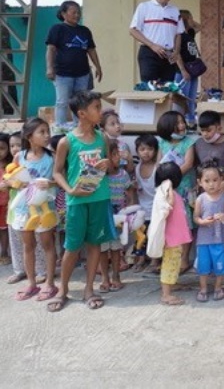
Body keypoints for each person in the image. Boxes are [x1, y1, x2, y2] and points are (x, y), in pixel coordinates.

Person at [50, 90, 114, 312]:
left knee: (95, 244)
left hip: (99, 197)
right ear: (82, 113)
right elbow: (57, 172)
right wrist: (70, 190)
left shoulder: (102, 137)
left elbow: (110, 169)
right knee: (72, 246)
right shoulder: (67, 142)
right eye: (96, 107)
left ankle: (89, 289)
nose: (101, 111)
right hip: (76, 201)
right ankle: (63, 290)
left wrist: (107, 165)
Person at [11, 118, 59, 302]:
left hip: (44, 209)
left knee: (48, 244)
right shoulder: (19, 157)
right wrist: (14, 183)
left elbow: (58, 181)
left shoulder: (51, 158)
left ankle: (49, 283)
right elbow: (12, 179)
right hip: (24, 209)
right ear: (29, 136)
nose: (47, 136)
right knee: (28, 245)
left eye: (48, 131)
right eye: (42, 132)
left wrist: (48, 183)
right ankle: (31, 283)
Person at [45, 0, 102, 127]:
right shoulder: (57, 29)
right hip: (62, 73)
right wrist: (49, 68)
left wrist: (98, 67)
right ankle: (60, 126)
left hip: (82, 73)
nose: (77, 15)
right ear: (64, 14)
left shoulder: (85, 30)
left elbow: (91, 50)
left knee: (81, 102)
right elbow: (51, 49)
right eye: (73, 12)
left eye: (78, 12)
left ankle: (79, 126)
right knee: (62, 102)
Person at [156, 111, 196, 272]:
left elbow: (188, 164)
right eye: (177, 123)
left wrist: (172, 175)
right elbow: (159, 163)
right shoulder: (162, 143)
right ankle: (170, 259)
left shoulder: (189, 142)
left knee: (186, 223)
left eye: (182, 122)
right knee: (169, 222)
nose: (181, 126)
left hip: (184, 187)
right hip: (168, 188)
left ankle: (185, 259)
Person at [151, 162, 192, 305]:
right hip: (171, 237)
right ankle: (166, 294)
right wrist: (168, 191)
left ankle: (172, 284)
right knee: (170, 263)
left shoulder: (169, 192)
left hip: (176, 236)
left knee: (174, 262)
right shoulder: (165, 194)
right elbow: (166, 209)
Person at [129, 0, 183, 83]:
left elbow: (179, 34)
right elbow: (133, 30)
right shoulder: (144, 7)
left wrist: (176, 51)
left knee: (167, 90)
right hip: (149, 53)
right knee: (150, 89)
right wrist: (152, 45)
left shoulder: (175, 10)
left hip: (169, 56)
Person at [193, 163, 224, 302]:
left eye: (215, 180)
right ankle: (203, 289)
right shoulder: (200, 199)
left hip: (220, 239)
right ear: (200, 182)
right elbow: (196, 217)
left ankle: (218, 287)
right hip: (204, 240)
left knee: (220, 266)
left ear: (221, 179)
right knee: (203, 266)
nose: (211, 184)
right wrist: (203, 222)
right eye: (207, 181)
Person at [98, 140, 134, 293]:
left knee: (116, 248)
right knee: (102, 249)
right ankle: (105, 278)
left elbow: (130, 192)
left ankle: (116, 276)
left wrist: (129, 211)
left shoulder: (123, 174)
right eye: (113, 155)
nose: (118, 158)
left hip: (118, 219)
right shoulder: (98, 176)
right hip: (101, 218)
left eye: (117, 154)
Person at [132, 134, 158, 273]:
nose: (146, 152)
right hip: (142, 209)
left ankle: (154, 261)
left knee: (154, 236)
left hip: (156, 209)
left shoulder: (157, 167)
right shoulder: (137, 168)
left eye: (149, 149)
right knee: (140, 236)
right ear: (137, 151)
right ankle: (141, 259)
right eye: (142, 149)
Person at [174, 10, 203, 127]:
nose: (193, 21)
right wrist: (183, 70)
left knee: (191, 97)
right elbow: (177, 54)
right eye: (191, 18)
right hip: (183, 71)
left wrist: (190, 20)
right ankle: (181, 121)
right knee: (183, 98)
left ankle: (190, 120)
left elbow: (199, 27)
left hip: (193, 71)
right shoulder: (179, 36)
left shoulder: (190, 33)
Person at [0, 133, 11, 265]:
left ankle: (4, 253)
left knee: (4, 229)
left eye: (2, 148)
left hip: (5, 203)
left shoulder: (10, 166)